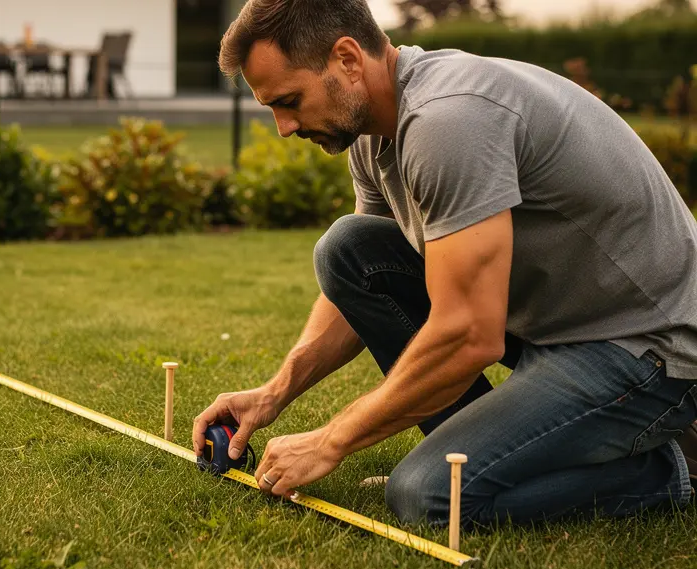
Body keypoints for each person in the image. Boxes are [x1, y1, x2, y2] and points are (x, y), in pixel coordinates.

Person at [192, 0, 697, 529]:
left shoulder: (449, 120)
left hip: (646, 348)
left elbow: (470, 335)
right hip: (559, 329)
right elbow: (364, 284)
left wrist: (330, 441)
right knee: (347, 248)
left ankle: (671, 467)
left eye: (290, 101)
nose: (284, 127)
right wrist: (274, 394)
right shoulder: (373, 133)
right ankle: (473, 455)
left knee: (429, 496)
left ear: (346, 59)